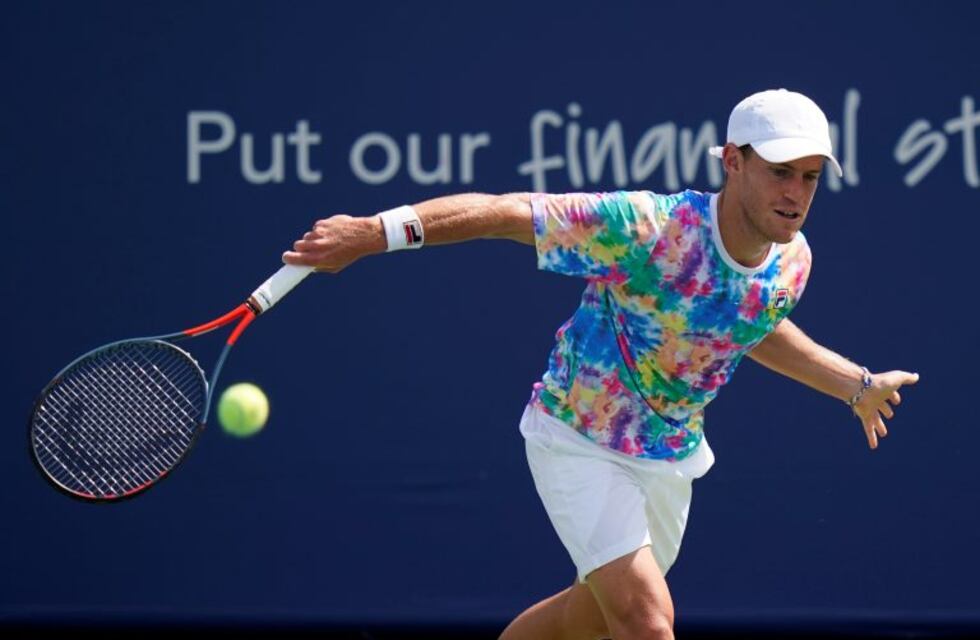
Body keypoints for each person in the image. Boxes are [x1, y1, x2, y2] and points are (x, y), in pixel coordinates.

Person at [282, 89, 919, 640]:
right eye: (782, 171)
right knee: (647, 622)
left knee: (579, 622)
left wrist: (852, 385)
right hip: (576, 436)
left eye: (810, 177)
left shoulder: (791, 262)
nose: (796, 193)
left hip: (669, 457)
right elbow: (507, 212)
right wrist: (373, 233)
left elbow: (748, 326)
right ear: (733, 161)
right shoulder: (647, 227)